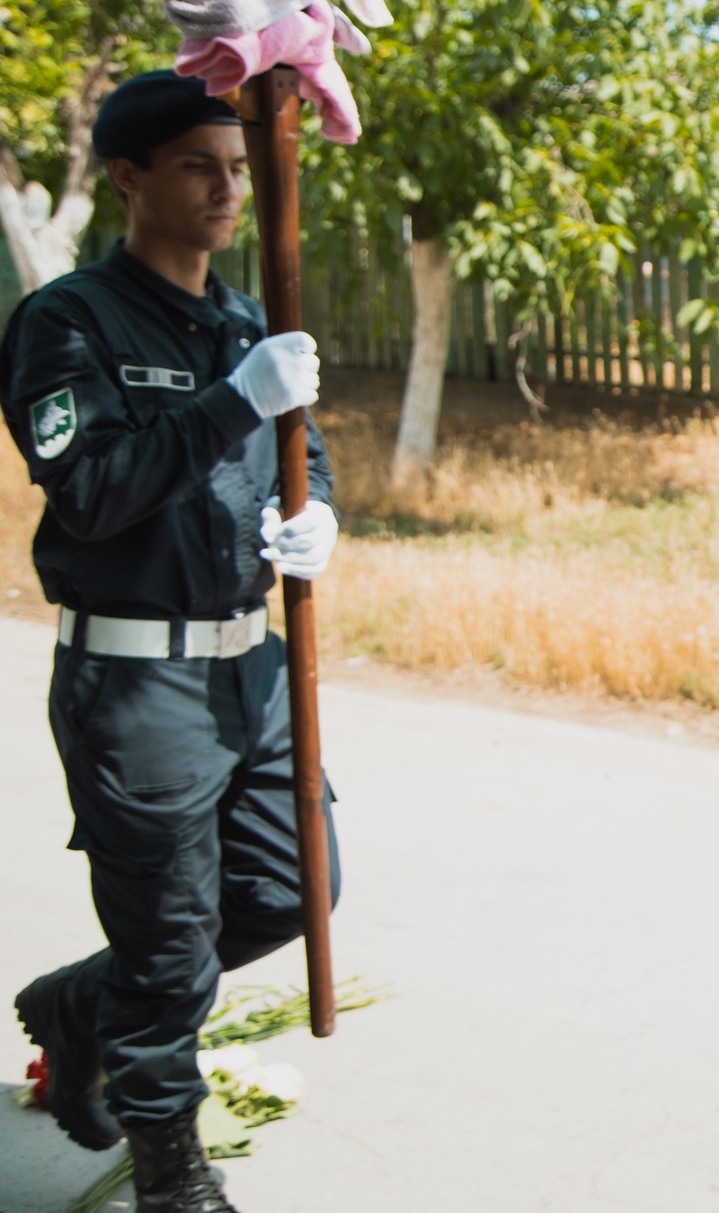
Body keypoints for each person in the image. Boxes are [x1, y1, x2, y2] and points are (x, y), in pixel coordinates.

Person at [4, 69, 340, 1213]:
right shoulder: (68, 323)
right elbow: (90, 488)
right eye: (200, 165)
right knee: (167, 939)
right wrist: (232, 401)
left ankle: (84, 1005)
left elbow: (303, 453)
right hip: (137, 678)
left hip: (251, 669)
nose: (227, 188)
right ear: (127, 175)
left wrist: (317, 516)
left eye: (238, 167)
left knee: (294, 887)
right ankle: (168, 1171)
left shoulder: (246, 319)